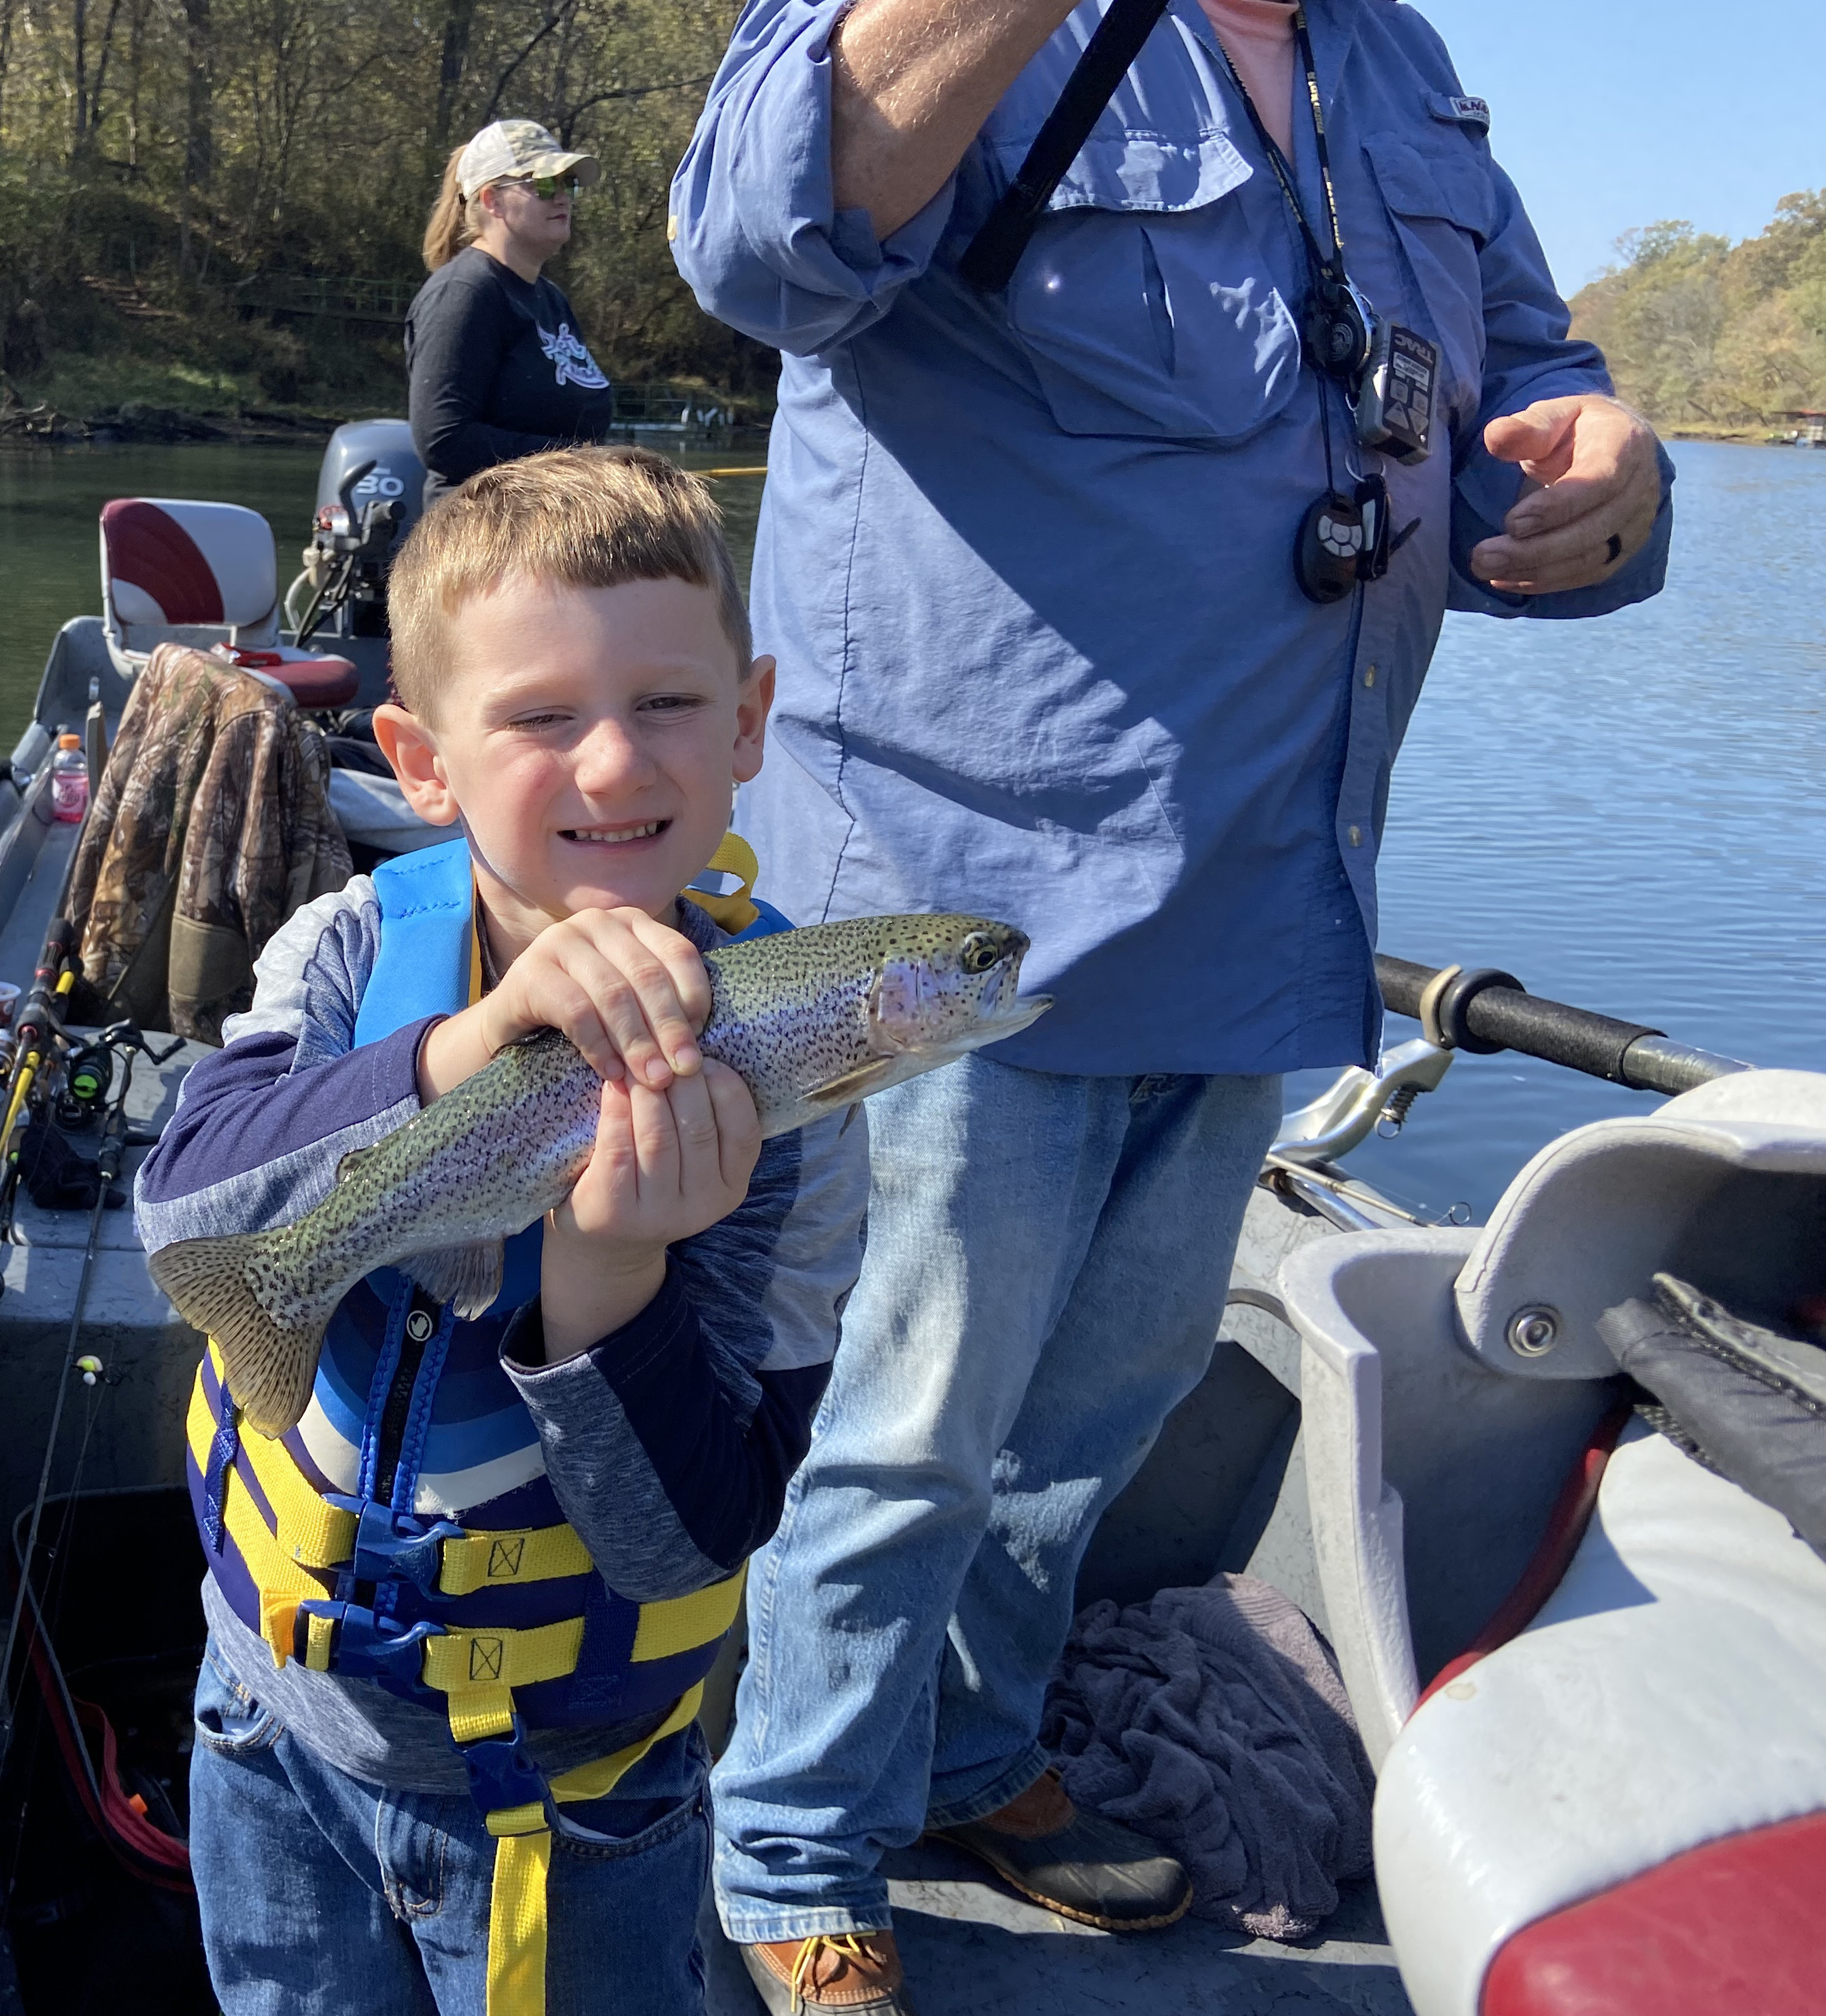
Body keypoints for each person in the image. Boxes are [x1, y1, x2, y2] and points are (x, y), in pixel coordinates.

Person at [667, 1, 1675, 2009]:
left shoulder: (1402, 67)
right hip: (954, 935)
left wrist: (1614, 467)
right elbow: (758, 247)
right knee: (908, 1432)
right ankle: (792, 1839)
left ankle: (966, 1753)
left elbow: (1524, 390)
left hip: (1258, 913)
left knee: (1093, 1420)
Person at [134, 446, 870, 2016]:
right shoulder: (346, 948)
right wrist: (460, 1052)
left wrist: (611, 1283)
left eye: (669, 705)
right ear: (421, 757)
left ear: (748, 725)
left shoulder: (794, 1071)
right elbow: (181, 1211)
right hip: (265, 1721)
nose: (612, 769)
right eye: (541, 718)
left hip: (571, 1802)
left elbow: (690, 1537)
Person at [408, 121, 616, 507]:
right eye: (545, 184)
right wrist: (580, 465)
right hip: (484, 539)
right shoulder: (466, 293)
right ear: (492, 200)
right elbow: (444, 440)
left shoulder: (551, 300)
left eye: (568, 184)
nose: (564, 198)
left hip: (553, 528)